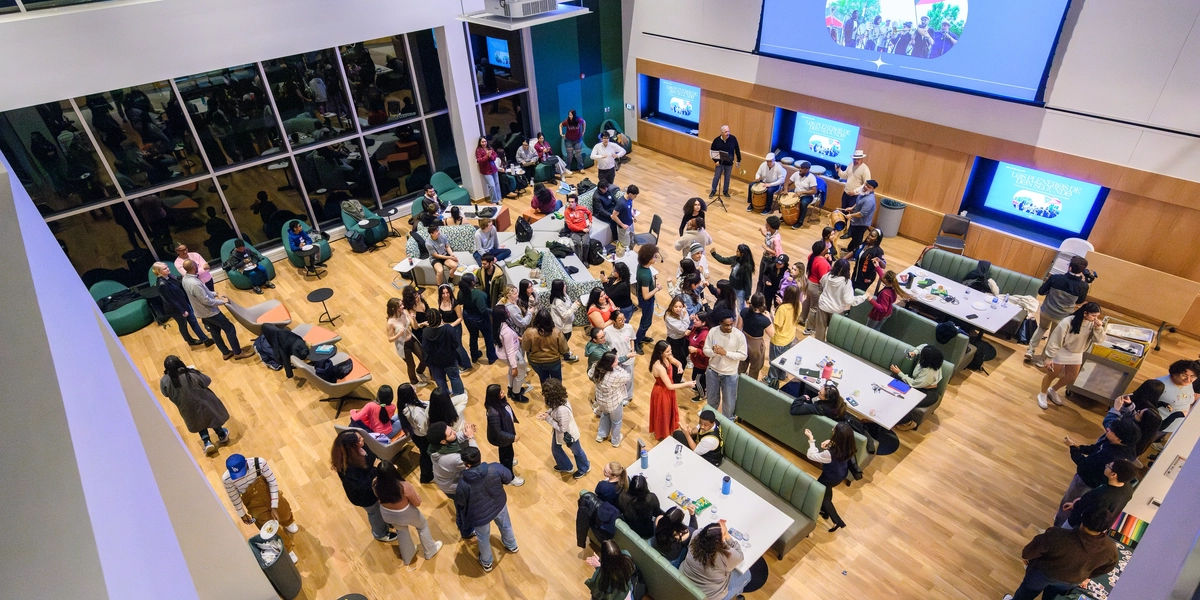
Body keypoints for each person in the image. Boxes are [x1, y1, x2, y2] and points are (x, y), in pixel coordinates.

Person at [1002, 507, 1119, 600]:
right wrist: (1088, 575)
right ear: (1105, 529)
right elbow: (1107, 568)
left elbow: (1029, 551)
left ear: (1082, 519)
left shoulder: (1056, 535)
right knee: (1052, 597)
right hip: (1072, 580)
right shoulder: (1110, 548)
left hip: (1042, 574)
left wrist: (1027, 557)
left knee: (1027, 592)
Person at [1053, 419, 1141, 527]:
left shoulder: (1111, 457)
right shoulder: (1119, 444)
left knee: (1067, 506)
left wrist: (1072, 448)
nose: (1108, 429)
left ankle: (1057, 527)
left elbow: (1084, 465)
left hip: (1086, 482)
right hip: (1090, 480)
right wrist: (1079, 448)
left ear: (1119, 439)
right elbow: (1097, 448)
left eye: (1111, 431)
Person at [455, 447, 519, 572]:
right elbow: (508, 478)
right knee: (506, 526)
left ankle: (487, 562)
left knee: (483, 538)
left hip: (479, 516)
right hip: (499, 505)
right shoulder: (494, 468)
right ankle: (512, 545)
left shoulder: (463, 484)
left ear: (467, 464)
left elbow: (461, 503)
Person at [330, 430, 397, 542]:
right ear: (352, 446)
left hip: (374, 487)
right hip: (364, 496)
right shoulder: (348, 468)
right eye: (360, 439)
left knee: (380, 508)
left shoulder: (359, 449)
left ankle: (386, 522)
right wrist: (376, 469)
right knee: (374, 512)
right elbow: (362, 486)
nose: (363, 440)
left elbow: (373, 458)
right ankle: (380, 534)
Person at [1037, 303, 1106, 410]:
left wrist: (1099, 328)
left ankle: (1053, 390)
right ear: (1085, 313)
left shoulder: (1093, 324)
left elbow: (1099, 340)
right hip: (1062, 350)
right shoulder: (1067, 322)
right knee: (1052, 374)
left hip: (1077, 352)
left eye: (1097, 316)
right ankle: (1042, 393)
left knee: (1072, 377)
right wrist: (1049, 357)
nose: (1096, 319)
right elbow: (1055, 339)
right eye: (1094, 316)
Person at [181, 260, 253, 360]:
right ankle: (238, 352)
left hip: (201, 312)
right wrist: (222, 301)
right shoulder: (194, 283)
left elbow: (200, 294)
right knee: (230, 328)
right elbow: (206, 300)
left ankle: (225, 352)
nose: (198, 266)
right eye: (197, 265)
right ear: (193, 267)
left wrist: (214, 293)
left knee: (215, 332)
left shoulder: (185, 279)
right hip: (209, 312)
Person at [374, 462, 443, 564]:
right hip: (405, 513)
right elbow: (417, 503)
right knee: (422, 526)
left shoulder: (375, 484)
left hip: (387, 513)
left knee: (401, 531)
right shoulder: (404, 486)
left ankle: (408, 557)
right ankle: (430, 551)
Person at [160, 356, 229, 456]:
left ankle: (207, 441)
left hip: (186, 407)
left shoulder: (164, 381)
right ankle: (222, 435)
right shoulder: (191, 373)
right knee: (212, 416)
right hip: (204, 401)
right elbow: (207, 381)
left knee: (198, 421)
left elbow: (165, 393)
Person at [1027, 256, 1092, 362]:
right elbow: (1080, 301)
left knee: (1041, 328)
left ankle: (1030, 350)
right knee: (1053, 337)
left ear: (1070, 268)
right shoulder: (1083, 286)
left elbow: (1041, 291)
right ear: (1082, 271)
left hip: (1046, 311)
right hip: (1063, 316)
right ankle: (1042, 360)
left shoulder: (1055, 278)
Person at [222, 454, 298, 533]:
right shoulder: (227, 479)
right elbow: (234, 496)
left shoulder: (260, 463)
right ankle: (282, 541)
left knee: (283, 511)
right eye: (236, 475)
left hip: (268, 491)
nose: (239, 476)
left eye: (241, 472)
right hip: (252, 502)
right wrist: (242, 514)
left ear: (246, 463)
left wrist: (274, 505)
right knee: (266, 525)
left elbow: (272, 482)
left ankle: (287, 522)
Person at [680, 521, 750, 600]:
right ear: (719, 541)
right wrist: (727, 535)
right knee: (747, 575)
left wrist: (714, 529)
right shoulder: (726, 554)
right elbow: (740, 556)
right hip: (709, 596)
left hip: (684, 579)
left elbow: (703, 531)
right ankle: (736, 594)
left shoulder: (696, 535)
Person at [806, 423, 855, 532]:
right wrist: (831, 442)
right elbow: (839, 446)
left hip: (829, 476)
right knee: (826, 491)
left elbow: (812, 456)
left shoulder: (830, 454)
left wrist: (811, 440)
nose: (832, 429)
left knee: (823, 496)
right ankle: (825, 512)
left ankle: (837, 521)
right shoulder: (849, 445)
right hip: (841, 473)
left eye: (834, 430)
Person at [1063, 459, 1137, 530]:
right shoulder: (1128, 488)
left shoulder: (1100, 496)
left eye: (1109, 466)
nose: (1106, 465)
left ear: (1113, 474)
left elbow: (1083, 510)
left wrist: (1075, 504)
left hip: (1076, 524)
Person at [539, 378, 590, 478]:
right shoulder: (560, 400)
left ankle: (585, 467)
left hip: (569, 435)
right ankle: (566, 466)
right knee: (555, 449)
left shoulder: (562, 410)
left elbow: (562, 428)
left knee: (577, 451)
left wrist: (548, 418)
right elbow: (554, 410)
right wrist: (548, 413)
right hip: (560, 433)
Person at [152, 262, 211, 347]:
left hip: (183, 303)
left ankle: (205, 340)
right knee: (183, 324)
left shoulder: (169, 277)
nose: (168, 269)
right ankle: (189, 340)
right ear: (159, 272)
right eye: (164, 268)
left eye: (167, 267)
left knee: (193, 321)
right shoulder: (162, 285)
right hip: (176, 309)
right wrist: (182, 310)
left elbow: (178, 282)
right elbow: (171, 300)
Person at [648, 340, 695, 441]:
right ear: (661, 352)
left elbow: (676, 362)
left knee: (669, 412)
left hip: (668, 391)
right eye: (667, 351)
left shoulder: (667, 357)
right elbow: (669, 386)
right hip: (662, 393)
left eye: (670, 350)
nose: (670, 353)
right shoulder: (659, 367)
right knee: (663, 414)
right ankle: (662, 433)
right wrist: (686, 384)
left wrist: (679, 366)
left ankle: (668, 429)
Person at [705, 310, 748, 418]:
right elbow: (706, 350)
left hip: (730, 374)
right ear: (720, 323)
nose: (729, 327)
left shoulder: (739, 336)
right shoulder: (713, 332)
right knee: (711, 402)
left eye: (731, 324)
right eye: (726, 325)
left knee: (729, 406)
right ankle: (710, 425)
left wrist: (726, 353)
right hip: (712, 372)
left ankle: (728, 428)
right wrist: (714, 352)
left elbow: (743, 355)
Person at [890, 345, 945, 430]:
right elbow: (924, 346)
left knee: (901, 400)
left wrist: (899, 373)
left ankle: (908, 422)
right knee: (893, 383)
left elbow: (914, 384)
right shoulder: (933, 361)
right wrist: (914, 352)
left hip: (927, 393)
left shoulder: (928, 373)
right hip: (919, 385)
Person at [814, 259, 869, 341]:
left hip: (823, 306)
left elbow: (822, 282)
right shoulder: (846, 282)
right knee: (834, 333)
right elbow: (850, 301)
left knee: (819, 331)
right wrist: (864, 297)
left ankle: (817, 348)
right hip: (837, 310)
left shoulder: (828, 276)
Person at [481, 383, 524, 487]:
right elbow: (497, 432)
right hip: (502, 438)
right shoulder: (493, 413)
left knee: (506, 454)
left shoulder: (499, 403)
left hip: (506, 434)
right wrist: (512, 437)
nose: (503, 392)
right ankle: (509, 478)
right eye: (500, 392)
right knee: (507, 456)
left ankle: (506, 464)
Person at [764, 286, 803, 388]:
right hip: (790, 337)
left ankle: (771, 379)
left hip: (779, 339)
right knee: (783, 359)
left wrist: (771, 314)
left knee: (774, 361)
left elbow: (777, 324)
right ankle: (782, 375)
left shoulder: (782, 309)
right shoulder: (798, 305)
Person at [387, 296, 430, 388]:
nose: (403, 306)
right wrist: (398, 335)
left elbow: (414, 327)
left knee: (424, 357)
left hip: (412, 338)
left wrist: (415, 320)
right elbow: (390, 339)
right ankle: (414, 382)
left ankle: (419, 371)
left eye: (402, 304)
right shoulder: (390, 323)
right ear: (394, 308)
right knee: (411, 365)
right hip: (403, 345)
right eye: (400, 305)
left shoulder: (405, 313)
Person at [592, 351, 632, 447]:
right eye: (615, 361)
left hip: (600, 400)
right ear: (609, 364)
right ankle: (615, 440)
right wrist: (617, 366)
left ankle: (601, 435)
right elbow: (627, 376)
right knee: (616, 421)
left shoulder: (595, 367)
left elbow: (590, 374)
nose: (617, 361)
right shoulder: (615, 375)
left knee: (605, 415)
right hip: (613, 402)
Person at [429, 420, 479, 497]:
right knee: (465, 505)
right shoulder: (451, 458)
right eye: (451, 433)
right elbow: (474, 456)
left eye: (451, 429)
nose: (454, 432)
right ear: (443, 441)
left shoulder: (435, 446)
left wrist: (466, 433)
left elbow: (454, 440)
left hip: (447, 478)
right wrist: (471, 437)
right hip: (452, 487)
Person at [522, 308, 570, 385]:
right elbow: (564, 349)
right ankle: (558, 395)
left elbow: (525, 348)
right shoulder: (556, 331)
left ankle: (547, 395)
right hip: (553, 361)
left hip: (536, 362)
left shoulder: (529, 332)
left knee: (544, 380)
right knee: (557, 382)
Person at [396, 384, 434, 483]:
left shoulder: (404, 405)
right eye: (412, 388)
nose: (414, 387)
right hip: (423, 437)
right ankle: (426, 477)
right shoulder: (416, 412)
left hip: (416, 435)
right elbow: (424, 429)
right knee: (426, 456)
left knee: (425, 454)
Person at [423, 310, 465, 396]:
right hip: (449, 359)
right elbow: (456, 343)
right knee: (454, 377)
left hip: (434, 362)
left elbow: (425, 348)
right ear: (440, 317)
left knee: (440, 380)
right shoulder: (448, 328)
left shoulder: (426, 332)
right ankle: (459, 395)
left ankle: (445, 397)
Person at [604, 309, 638, 406]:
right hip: (615, 360)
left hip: (628, 357)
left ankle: (628, 396)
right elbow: (605, 344)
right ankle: (618, 396)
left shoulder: (629, 327)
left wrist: (632, 348)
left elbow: (632, 339)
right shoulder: (607, 331)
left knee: (629, 378)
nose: (623, 321)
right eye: (619, 320)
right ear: (613, 321)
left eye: (624, 319)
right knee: (617, 378)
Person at [436, 283, 473, 370]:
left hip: (455, 327)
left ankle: (466, 364)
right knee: (451, 346)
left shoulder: (455, 304)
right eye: (443, 293)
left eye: (447, 293)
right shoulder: (440, 301)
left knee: (458, 346)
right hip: (445, 327)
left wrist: (450, 326)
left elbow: (460, 318)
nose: (445, 295)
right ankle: (457, 362)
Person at [835, 179, 878, 253]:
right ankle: (850, 250)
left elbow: (861, 214)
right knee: (854, 237)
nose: (865, 187)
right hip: (856, 221)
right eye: (865, 185)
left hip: (861, 224)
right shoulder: (864, 193)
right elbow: (858, 202)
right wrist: (852, 208)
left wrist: (851, 215)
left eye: (868, 186)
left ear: (872, 189)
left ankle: (855, 255)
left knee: (857, 240)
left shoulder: (869, 200)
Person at [738, 293, 774, 380]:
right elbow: (772, 333)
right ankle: (750, 383)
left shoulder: (744, 311)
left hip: (744, 340)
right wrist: (769, 317)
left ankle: (739, 380)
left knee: (742, 363)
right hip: (756, 345)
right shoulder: (764, 319)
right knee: (755, 367)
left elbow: (739, 327)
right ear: (763, 303)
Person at [1154, 359, 1199, 427]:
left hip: (1177, 426)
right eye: (1184, 375)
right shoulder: (1159, 385)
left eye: (1193, 376)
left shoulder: (1187, 384)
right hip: (1158, 425)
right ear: (1174, 373)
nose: (1188, 379)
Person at [711, 245, 755, 312]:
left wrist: (747, 296)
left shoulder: (747, 267)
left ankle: (742, 320)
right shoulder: (735, 259)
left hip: (740, 290)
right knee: (731, 305)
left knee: (741, 308)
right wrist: (714, 254)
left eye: (738, 251)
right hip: (732, 287)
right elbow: (723, 260)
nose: (736, 252)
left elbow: (748, 282)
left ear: (742, 254)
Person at [634, 243, 661, 355]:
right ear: (650, 259)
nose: (656, 258)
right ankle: (636, 341)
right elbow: (646, 296)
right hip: (646, 301)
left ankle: (641, 336)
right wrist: (657, 289)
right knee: (646, 322)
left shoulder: (643, 267)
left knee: (645, 320)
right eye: (655, 256)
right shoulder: (645, 275)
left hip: (645, 297)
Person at [618, 474, 662, 539]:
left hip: (630, 527)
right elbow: (657, 513)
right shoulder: (651, 498)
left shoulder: (622, 497)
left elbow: (620, 510)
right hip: (647, 532)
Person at [709, 125, 741, 199]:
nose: (728, 133)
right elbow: (712, 151)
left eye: (728, 131)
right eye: (726, 132)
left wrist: (738, 160)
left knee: (727, 177)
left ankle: (725, 191)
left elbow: (737, 150)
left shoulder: (733, 139)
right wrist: (715, 161)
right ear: (722, 132)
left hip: (729, 163)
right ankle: (713, 190)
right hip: (720, 163)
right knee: (716, 176)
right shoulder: (716, 140)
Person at [757, 216, 784, 295]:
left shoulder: (776, 239)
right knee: (760, 277)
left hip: (770, 260)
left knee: (765, 279)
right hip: (765, 257)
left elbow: (777, 253)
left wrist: (765, 247)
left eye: (767, 225)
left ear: (772, 227)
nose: (765, 226)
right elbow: (768, 237)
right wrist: (763, 232)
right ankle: (758, 294)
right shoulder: (771, 233)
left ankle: (762, 296)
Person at [787, 161, 818, 229]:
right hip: (796, 192)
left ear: (807, 169)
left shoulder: (811, 177)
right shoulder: (796, 174)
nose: (800, 169)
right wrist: (785, 190)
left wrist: (802, 192)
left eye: (803, 168)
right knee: (784, 198)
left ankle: (800, 222)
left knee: (803, 203)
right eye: (800, 168)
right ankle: (786, 216)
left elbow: (814, 191)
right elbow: (787, 183)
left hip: (807, 195)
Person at [689, 315, 712, 402]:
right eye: (694, 318)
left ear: (703, 322)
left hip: (702, 363)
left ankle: (702, 395)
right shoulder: (696, 328)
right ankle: (702, 387)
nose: (694, 321)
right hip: (696, 361)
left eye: (697, 320)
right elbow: (692, 338)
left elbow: (707, 353)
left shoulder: (705, 335)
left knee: (696, 378)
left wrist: (696, 350)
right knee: (699, 377)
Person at [563, 192, 593, 259]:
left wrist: (590, 222)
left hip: (585, 229)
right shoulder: (567, 212)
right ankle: (580, 260)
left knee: (586, 244)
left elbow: (589, 213)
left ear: (576, 202)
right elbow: (570, 225)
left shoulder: (582, 208)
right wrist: (582, 229)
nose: (570, 203)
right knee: (577, 244)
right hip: (575, 231)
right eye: (569, 202)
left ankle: (585, 260)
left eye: (572, 202)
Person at [476, 137, 502, 204]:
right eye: (482, 142)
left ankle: (499, 199)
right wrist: (487, 156)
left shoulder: (490, 148)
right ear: (480, 143)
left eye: (485, 141)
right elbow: (479, 160)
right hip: (486, 171)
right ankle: (494, 200)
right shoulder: (479, 150)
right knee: (492, 186)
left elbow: (494, 157)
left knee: (497, 184)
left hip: (493, 169)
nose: (484, 143)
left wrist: (490, 156)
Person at [613, 184, 638, 248]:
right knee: (625, 245)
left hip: (630, 223)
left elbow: (630, 208)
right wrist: (622, 225)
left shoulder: (630, 199)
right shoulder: (621, 203)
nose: (635, 197)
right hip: (623, 227)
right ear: (630, 194)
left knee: (632, 240)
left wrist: (633, 215)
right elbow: (614, 216)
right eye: (634, 196)